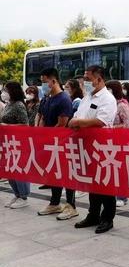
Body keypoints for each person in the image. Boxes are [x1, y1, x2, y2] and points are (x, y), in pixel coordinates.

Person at [68, 65, 118, 234]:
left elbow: (101, 121)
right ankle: (93, 214)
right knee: (93, 182)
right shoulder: (86, 97)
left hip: (103, 147)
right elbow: (77, 116)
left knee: (105, 183)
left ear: (99, 78)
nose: (86, 82)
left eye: (88, 78)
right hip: (86, 145)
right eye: (85, 78)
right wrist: (76, 122)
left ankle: (107, 218)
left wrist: (79, 123)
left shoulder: (107, 98)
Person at [36, 68, 78, 220]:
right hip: (48, 142)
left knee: (66, 174)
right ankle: (54, 203)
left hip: (62, 143)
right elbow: (41, 116)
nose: (42, 85)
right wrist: (39, 133)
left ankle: (71, 206)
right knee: (53, 173)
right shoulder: (46, 98)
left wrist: (48, 136)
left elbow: (62, 124)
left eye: (44, 81)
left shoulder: (64, 99)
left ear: (53, 81)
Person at [0, 82, 30, 209]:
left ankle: (24, 196)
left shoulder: (19, 105)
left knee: (18, 169)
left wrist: (8, 126)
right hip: (7, 142)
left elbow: (25, 125)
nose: (3, 93)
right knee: (9, 169)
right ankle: (17, 194)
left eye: (6, 90)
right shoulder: (8, 104)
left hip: (18, 142)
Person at [106, 80, 129, 208]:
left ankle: (122, 196)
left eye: (108, 88)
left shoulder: (122, 105)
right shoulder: (108, 104)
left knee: (120, 170)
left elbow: (127, 125)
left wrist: (112, 127)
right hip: (109, 141)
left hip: (120, 141)